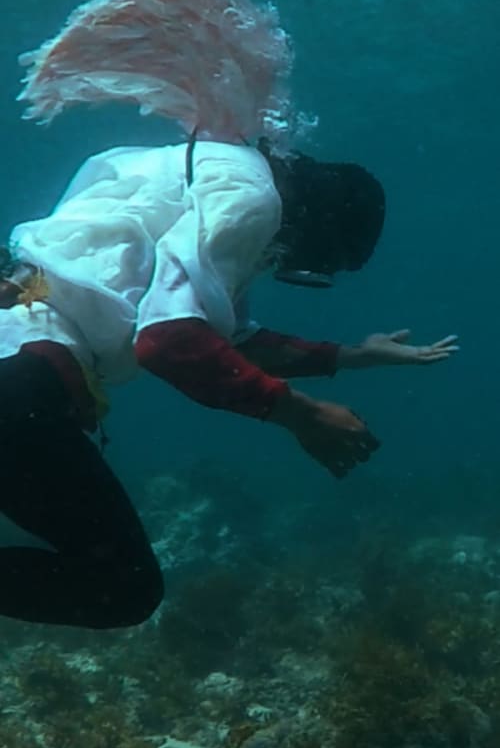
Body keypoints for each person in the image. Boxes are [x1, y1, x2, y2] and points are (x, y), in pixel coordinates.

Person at [0, 138, 458, 629]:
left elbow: (222, 337)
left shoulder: (197, 169)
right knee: (121, 586)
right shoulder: (253, 200)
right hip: (22, 381)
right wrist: (303, 415)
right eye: (305, 264)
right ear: (314, 224)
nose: (279, 265)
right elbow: (167, 341)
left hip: (16, 355)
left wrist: (350, 356)